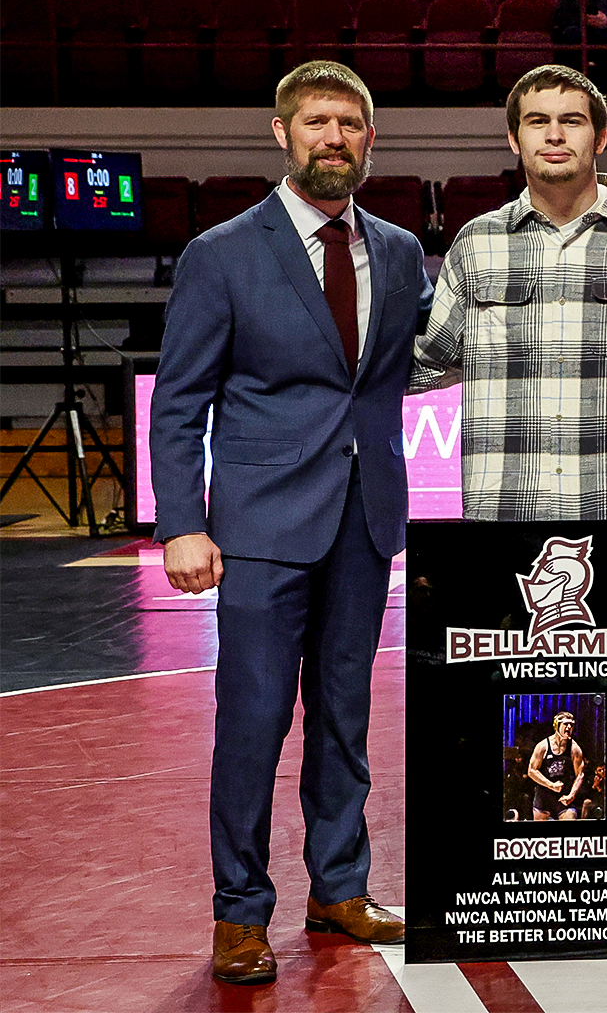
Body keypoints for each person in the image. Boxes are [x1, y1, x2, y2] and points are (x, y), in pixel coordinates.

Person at [150, 61, 420, 985]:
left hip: (364, 522)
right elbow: (179, 402)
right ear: (282, 134)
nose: (333, 138)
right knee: (254, 722)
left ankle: (340, 887)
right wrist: (182, 521)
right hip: (260, 528)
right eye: (316, 123)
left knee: (345, 719)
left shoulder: (399, 248)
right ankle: (240, 910)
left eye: (349, 123)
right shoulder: (221, 253)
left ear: (370, 139)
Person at [411, 66, 607, 554]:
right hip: (505, 522)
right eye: (537, 121)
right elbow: (432, 360)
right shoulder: (476, 243)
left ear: (600, 137)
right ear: (515, 139)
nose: (554, 134)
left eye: (572, 121)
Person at [526, 712, 587, 821]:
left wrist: (571, 795)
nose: (569, 727)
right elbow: (531, 771)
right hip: (544, 794)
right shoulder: (543, 746)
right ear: (557, 726)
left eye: (571, 725)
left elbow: (580, 775)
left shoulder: (574, 748)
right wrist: (551, 785)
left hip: (564, 795)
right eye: (566, 724)